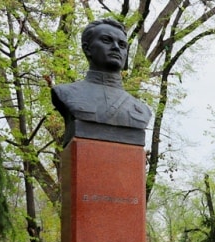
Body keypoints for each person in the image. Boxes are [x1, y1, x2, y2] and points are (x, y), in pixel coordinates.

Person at [51, 18, 152, 146]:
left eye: (122, 45)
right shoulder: (66, 93)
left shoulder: (142, 110)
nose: (116, 47)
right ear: (87, 49)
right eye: (106, 40)